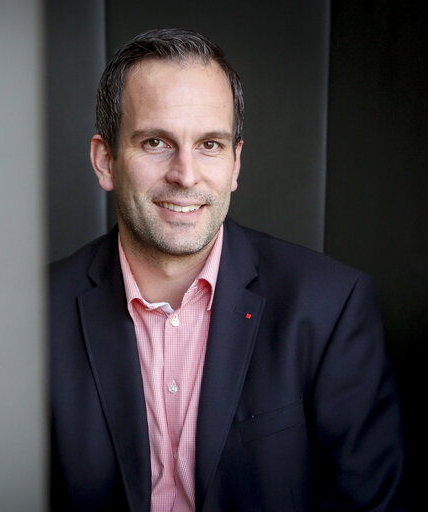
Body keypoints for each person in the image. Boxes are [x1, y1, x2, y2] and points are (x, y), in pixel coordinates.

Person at [49, 28, 404, 511]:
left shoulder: (331, 307)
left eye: (210, 145)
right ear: (106, 160)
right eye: (156, 142)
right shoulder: (31, 315)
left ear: (236, 163)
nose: (186, 174)